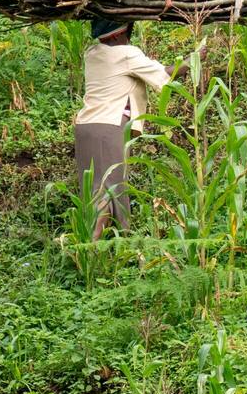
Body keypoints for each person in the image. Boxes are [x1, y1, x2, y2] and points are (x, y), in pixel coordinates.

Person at [76, 19, 185, 234]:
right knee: (109, 189)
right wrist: (192, 61)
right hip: (108, 128)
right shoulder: (126, 54)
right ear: (118, 34)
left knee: (92, 189)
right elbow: (164, 75)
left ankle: (93, 249)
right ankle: (95, 248)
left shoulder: (92, 53)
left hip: (85, 127)